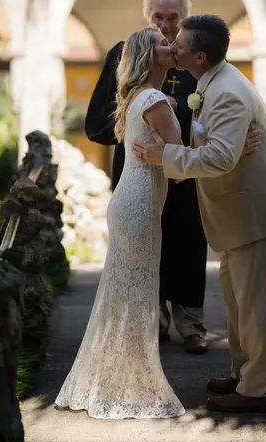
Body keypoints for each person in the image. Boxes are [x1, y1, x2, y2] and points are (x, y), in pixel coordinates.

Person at [132, 14, 266, 414]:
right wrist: (227, 145)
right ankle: (243, 374)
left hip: (252, 210)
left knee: (254, 305)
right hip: (237, 210)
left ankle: (259, 390)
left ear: (200, 56)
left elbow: (221, 156)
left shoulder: (226, 91)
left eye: (181, 45)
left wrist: (164, 155)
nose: (174, 47)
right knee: (236, 299)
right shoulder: (211, 81)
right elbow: (222, 145)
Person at [85, 0, 260, 353]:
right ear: (148, 17)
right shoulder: (124, 54)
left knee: (187, 241)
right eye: (158, 18)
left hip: (184, 169)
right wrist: (142, 118)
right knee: (144, 240)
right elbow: (99, 121)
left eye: (173, 18)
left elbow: (217, 112)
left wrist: (183, 115)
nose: (165, 26)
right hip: (139, 167)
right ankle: (153, 318)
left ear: (184, 17)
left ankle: (191, 322)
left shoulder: (191, 53)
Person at [55, 28, 186, 419]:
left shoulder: (135, 97)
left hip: (129, 202)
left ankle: (114, 381)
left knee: (125, 298)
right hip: (141, 204)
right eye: (164, 43)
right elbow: (180, 159)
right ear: (150, 55)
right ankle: (132, 385)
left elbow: (169, 150)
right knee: (138, 299)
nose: (171, 44)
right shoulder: (155, 99)